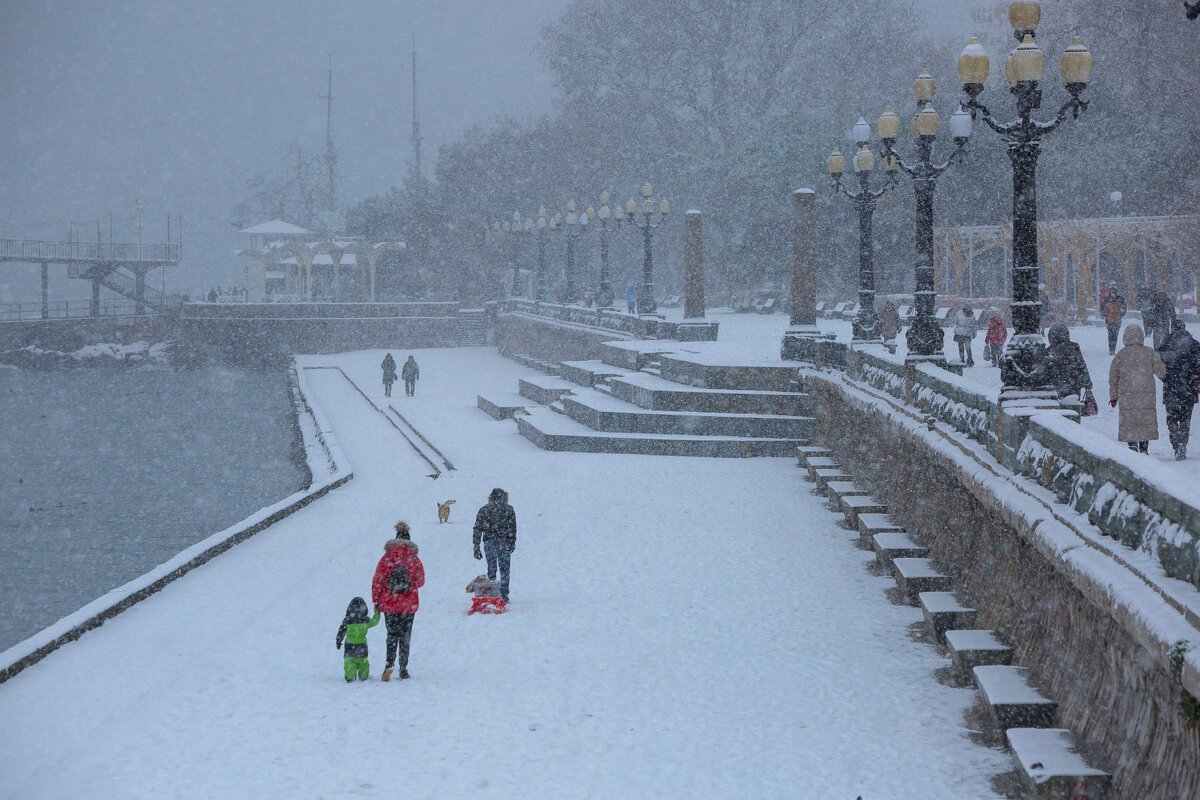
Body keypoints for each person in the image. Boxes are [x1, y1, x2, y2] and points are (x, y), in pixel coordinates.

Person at [371, 522, 425, 681]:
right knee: (405, 636)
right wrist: (410, 584)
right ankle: (403, 667)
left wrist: (376, 601)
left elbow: (377, 581)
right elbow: (421, 581)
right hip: (408, 605)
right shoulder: (414, 558)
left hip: (389, 603)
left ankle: (389, 664)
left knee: (391, 635)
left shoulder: (386, 557)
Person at [1108, 324, 1166, 454]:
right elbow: (1162, 371)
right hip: (1146, 394)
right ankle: (1144, 447)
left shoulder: (1120, 355)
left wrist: (1113, 396)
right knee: (1145, 419)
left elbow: (1113, 378)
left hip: (1127, 395)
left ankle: (1132, 446)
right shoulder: (1150, 352)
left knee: (1130, 420)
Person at [1159, 318, 1200, 460]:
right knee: (1185, 419)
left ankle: (1175, 443)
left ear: (1172, 329)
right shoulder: (1195, 345)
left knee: (1171, 419)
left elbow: (1158, 366)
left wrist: (1166, 378)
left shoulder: (1165, 344)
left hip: (1171, 389)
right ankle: (1183, 443)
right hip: (1189, 389)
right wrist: (1194, 379)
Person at [472, 488, 517, 603]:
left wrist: (476, 545)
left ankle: (491, 593)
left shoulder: (484, 510)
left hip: (489, 542)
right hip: (504, 542)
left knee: (491, 569)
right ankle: (504, 595)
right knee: (505, 570)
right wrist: (512, 542)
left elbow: (477, 528)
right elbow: (512, 528)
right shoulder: (508, 509)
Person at [1044, 323, 1093, 403]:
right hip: (1074, 385)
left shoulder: (1049, 351)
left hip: (1057, 386)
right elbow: (1081, 365)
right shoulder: (1074, 348)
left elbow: (1046, 371)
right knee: (1073, 405)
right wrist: (1087, 383)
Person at [335, 597, 380, 682]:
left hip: (349, 646)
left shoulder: (347, 621)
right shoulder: (366, 620)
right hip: (362, 645)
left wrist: (338, 640)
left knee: (349, 663)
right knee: (363, 662)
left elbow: (341, 631)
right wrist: (377, 613)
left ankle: (350, 676)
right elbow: (375, 621)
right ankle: (364, 675)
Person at [1102, 291, 1126, 355]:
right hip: (1110, 320)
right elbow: (1103, 309)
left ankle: (1112, 349)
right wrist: (1106, 316)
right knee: (1111, 335)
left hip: (1116, 320)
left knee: (1115, 335)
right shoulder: (1107, 299)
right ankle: (1111, 349)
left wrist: (1120, 314)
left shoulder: (1120, 299)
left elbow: (1124, 308)